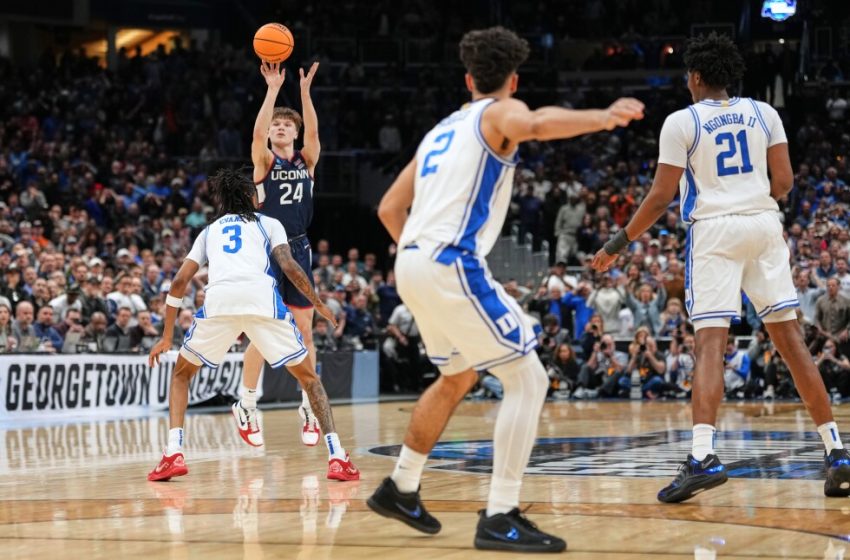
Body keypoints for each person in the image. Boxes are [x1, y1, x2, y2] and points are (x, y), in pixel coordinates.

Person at [368, 26, 643, 553]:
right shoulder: (498, 114)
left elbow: (387, 209)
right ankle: (500, 514)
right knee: (529, 379)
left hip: (411, 262)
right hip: (450, 261)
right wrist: (604, 117)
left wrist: (419, 258)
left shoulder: (438, 132)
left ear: (468, 78)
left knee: (457, 374)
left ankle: (400, 486)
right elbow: (535, 124)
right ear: (512, 80)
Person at [592, 33, 850, 502]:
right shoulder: (763, 113)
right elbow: (786, 183)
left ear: (694, 77)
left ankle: (703, 455)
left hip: (714, 230)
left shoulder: (680, 121)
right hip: (764, 223)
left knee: (710, 344)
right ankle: (836, 451)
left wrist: (619, 242)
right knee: (792, 342)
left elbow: (660, 196)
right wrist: (752, 205)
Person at [147, 169, 359, 483]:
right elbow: (289, 266)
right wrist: (318, 303)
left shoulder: (209, 231)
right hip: (261, 301)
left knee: (181, 375)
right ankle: (337, 456)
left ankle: (173, 453)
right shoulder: (270, 223)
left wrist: (167, 337)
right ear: (250, 197)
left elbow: (179, 282)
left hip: (220, 303)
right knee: (310, 380)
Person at [242, 59, 324, 448]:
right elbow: (257, 134)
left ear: (296, 132)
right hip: (266, 251)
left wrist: (305, 94)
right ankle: (247, 402)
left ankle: (308, 406)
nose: (280, 127)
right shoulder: (265, 160)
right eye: (277, 123)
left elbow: (315, 132)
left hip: (299, 248)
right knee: (262, 327)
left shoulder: (306, 161)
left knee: (304, 330)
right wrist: (273, 91)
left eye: (287, 124)